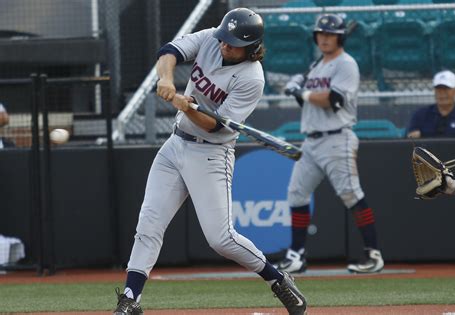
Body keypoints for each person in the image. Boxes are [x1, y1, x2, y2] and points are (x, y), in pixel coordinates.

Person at [113, 8, 307, 315]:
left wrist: (187, 106)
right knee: (148, 223)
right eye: (224, 39)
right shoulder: (211, 39)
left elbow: (214, 125)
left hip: (211, 154)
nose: (224, 46)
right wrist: (166, 79)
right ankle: (129, 298)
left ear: (252, 47)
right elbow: (170, 52)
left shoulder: (252, 79)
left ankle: (277, 278)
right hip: (175, 145)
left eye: (233, 43)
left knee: (221, 239)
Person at [274, 14, 384, 274]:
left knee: (351, 195)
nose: (324, 37)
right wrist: (298, 85)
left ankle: (374, 255)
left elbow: (333, 99)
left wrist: (302, 91)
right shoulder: (317, 65)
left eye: (330, 34)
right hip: (311, 140)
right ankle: (296, 255)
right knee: (296, 194)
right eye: (321, 33)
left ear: (340, 37)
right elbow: (311, 101)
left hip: (337, 138)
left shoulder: (347, 64)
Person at [407, 70, 455, 138]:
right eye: (438, 89)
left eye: (446, 89)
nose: (442, 93)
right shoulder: (420, 115)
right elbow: (408, 140)